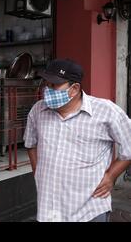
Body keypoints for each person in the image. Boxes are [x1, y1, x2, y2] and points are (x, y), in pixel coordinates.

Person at [24, 58, 131, 222]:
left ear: (74, 89)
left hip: (89, 210)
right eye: (46, 84)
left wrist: (111, 175)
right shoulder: (38, 110)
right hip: (49, 210)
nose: (47, 90)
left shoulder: (106, 111)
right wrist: (38, 172)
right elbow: (31, 144)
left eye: (54, 85)